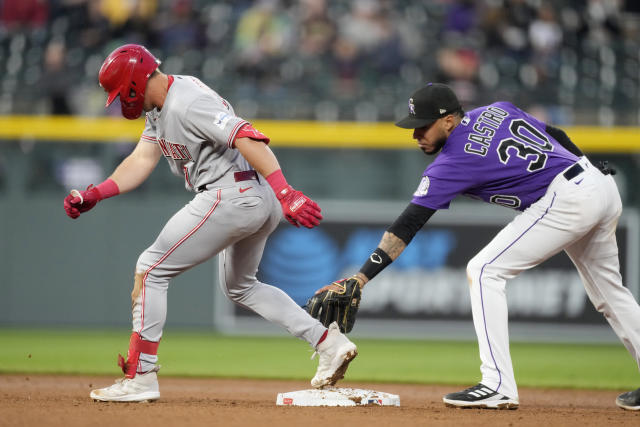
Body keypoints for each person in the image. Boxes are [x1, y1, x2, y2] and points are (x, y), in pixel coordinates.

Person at [316, 83, 640, 410]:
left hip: (567, 200)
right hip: (598, 183)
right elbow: (553, 131)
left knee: (483, 270)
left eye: (422, 126)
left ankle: (497, 385)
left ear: (448, 121)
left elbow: (408, 224)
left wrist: (361, 277)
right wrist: (583, 161)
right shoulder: (497, 109)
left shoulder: (453, 161)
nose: (416, 135)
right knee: (611, 293)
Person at [63, 44, 357, 402]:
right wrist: (97, 193)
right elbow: (141, 159)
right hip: (249, 194)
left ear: (133, 84)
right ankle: (329, 343)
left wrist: (286, 191)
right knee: (241, 286)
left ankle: (141, 376)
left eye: (119, 93)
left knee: (150, 270)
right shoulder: (160, 107)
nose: (120, 101)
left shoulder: (186, 101)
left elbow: (246, 135)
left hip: (231, 194)